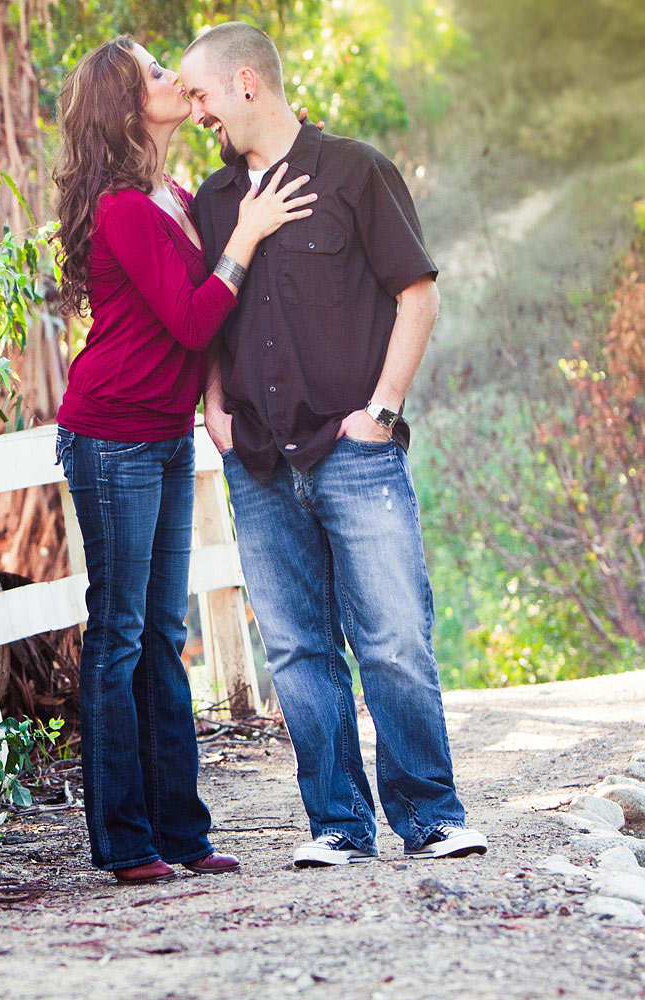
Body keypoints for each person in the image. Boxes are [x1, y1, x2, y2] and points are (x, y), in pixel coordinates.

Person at [178, 22, 488, 867]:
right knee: (298, 651)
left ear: (248, 82)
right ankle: (338, 827)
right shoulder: (211, 204)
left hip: (356, 452)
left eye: (201, 94)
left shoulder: (356, 171)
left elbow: (417, 296)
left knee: (392, 637)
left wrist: (380, 412)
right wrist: (216, 411)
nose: (197, 111)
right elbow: (208, 315)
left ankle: (432, 817)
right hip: (260, 462)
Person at [52, 35, 316, 884]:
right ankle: (124, 841)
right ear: (129, 104)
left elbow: (197, 334)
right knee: (120, 634)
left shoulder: (166, 193)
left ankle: (183, 834)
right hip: (111, 435)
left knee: (163, 634)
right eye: (160, 76)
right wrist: (243, 236)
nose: (178, 84)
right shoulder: (124, 209)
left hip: (161, 437)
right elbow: (196, 319)